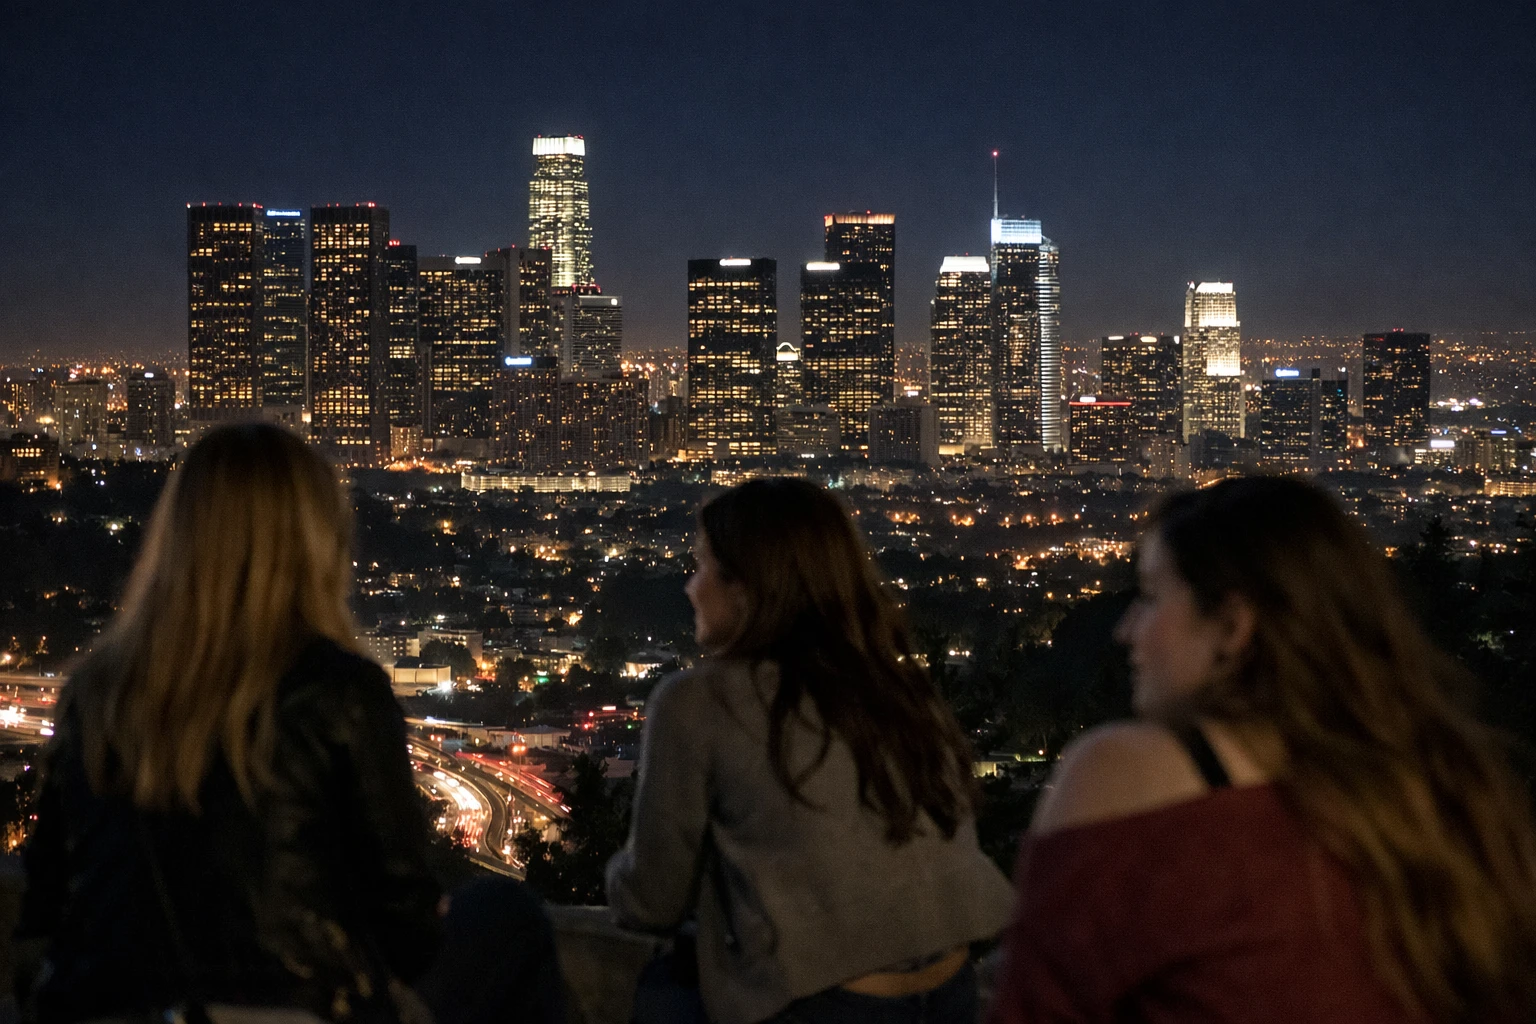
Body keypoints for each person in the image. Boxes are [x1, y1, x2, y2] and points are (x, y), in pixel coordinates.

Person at [15, 424, 563, 1024]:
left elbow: (45, 901)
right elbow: (404, 925)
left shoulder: (96, 692)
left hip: (107, 1005)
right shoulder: (341, 693)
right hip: (299, 1006)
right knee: (508, 914)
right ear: (315, 541)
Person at [988, 476, 1536, 1023]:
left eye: (1151, 597)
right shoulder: (1463, 794)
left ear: (1231, 626)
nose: (1126, 630)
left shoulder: (1130, 776)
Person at [607, 477, 1012, 1024]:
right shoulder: (898, 688)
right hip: (953, 988)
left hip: (831, 1003)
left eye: (702, 567)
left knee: (664, 986)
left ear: (746, 587)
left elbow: (651, 898)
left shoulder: (700, 700)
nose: (689, 587)